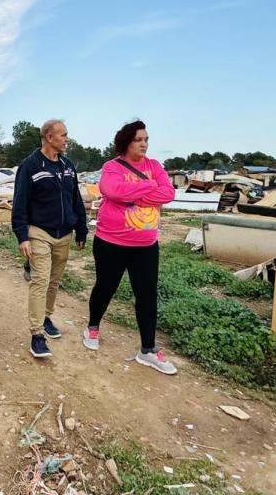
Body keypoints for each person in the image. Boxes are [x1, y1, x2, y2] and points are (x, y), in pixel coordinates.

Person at [82, 120, 177, 375]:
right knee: (105, 287)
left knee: (146, 294)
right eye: (138, 140)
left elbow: (168, 193)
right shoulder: (112, 167)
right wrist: (149, 186)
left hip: (146, 245)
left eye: (146, 139)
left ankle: (147, 349)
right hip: (111, 242)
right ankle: (93, 326)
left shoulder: (155, 166)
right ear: (126, 142)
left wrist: (132, 193)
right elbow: (111, 190)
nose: (144, 144)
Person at [12, 120, 87, 358]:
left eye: (67, 134)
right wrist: (22, 236)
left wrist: (81, 228)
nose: (67, 138)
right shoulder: (30, 166)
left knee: (54, 282)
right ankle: (36, 335)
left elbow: (75, 198)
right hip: (39, 233)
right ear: (48, 136)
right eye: (63, 135)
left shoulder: (67, 165)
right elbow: (20, 202)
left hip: (63, 234)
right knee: (40, 281)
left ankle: (46, 317)